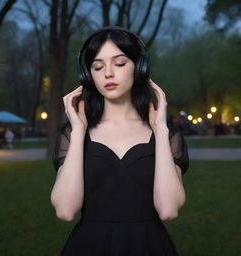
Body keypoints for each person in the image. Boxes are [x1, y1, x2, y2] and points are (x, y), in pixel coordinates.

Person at [51, 26, 189, 256]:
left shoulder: (166, 133)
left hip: (149, 246)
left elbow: (168, 210)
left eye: (120, 63)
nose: (108, 73)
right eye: (97, 66)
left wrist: (160, 129)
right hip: (88, 247)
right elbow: (65, 210)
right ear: (88, 75)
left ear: (140, 69)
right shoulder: (73, 133)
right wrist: (78, 130)